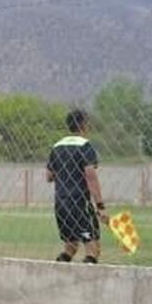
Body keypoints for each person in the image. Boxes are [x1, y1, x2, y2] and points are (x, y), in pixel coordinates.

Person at [46, 109, 108, 264]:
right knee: (93, 249)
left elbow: (49, 176)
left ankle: (60, 271)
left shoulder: (57, 146)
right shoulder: (85, 146)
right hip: (80, 201)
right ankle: (88, 277)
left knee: (70, 248)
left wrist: (65, 170)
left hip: (61, 202)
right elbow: (90, 176)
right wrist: (100, 206)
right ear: (83, 125)